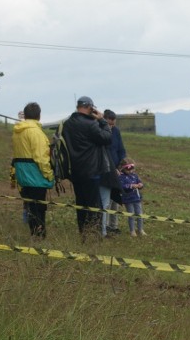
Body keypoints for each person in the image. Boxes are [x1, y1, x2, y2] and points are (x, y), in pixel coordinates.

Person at [61, 96, 113, 237]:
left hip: (75, 171)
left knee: (81, 204)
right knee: (94, 205)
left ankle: (83, 233)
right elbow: (107, 138)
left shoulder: (67, 124)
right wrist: (102, 120)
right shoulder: (91, 124)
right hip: (91, 170)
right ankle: (94, 235)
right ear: (90, 107)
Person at [10, 102, 54, 237]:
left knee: (30, 207)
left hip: (22, 175)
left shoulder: (17, 131)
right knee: (39, 208)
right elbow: (41, 157)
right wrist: (49, 174)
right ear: (39, 116)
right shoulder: (36, 132)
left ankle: (34, 234)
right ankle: (40, 236)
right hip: (36, 176)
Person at [102, 109, 126, 235]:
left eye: (113, 124)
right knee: (107, 199)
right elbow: (104, 152)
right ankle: (104, 226)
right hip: (106, 170)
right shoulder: (101, 132)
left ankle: (114, 225)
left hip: (118, 169)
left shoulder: (116, 132)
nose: (111, 127)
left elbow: (121, 149)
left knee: (116, 198)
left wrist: (122, 165)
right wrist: (112, 168)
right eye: (109, 124)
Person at [118, 158, 146, 237]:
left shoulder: (135, 176)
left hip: (137, 198)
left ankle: (140, 229)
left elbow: (139, 182)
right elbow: (122, 186)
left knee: (139, 214)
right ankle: (132, 231)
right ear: (123, 168)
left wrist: (140, 185)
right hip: (128, 199)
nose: (130, 171)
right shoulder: (121, 177)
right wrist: (131, 186)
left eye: (132, 169)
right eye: (128, 170)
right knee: (131, 215)